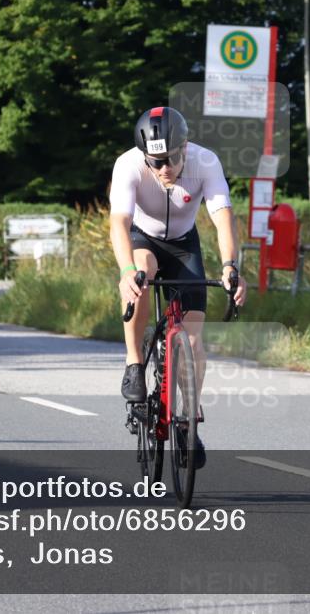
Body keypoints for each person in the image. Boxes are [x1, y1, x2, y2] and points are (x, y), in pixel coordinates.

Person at [109, 106, 247, 468]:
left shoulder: (206, 161)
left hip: (185, 245)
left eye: (171, 158)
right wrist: (125, 271)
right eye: (155, 162)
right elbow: (119, 223)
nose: (164, 168)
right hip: (144, 239)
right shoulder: (128, 165)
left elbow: (223, 220)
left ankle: (187, 421)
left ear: (185, 147)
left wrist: (231, 267)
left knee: (194, 338)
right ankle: (135, 363)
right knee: (141, 273)